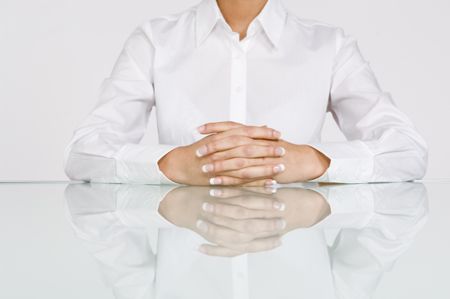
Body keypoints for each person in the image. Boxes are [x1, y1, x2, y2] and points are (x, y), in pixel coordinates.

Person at [63, 0, 428, 186]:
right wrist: (171, 164)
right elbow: (83, 153)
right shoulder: (155, 41)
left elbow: (408, 150)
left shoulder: (328, 46)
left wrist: (312, 162)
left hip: (294, 254)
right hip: (187, 251)